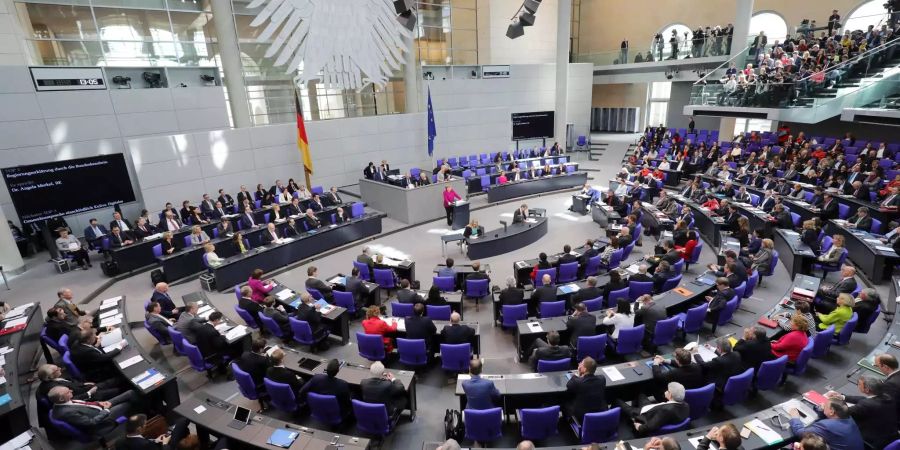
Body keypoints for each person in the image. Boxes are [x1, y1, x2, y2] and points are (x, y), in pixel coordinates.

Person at [826, 376, 899, 450]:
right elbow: (864, 399)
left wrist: (828, 405)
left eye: (859, 384)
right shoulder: (887, 397)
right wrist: (843, 397)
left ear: (867, 390)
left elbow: (843, 412)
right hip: (891, 435)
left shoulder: (866, 405)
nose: (857, 385)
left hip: (872, 442)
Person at [48, 385, 136, 437]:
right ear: (61, 398)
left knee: (130, 393)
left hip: (98, 408)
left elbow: (83, 404)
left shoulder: (62, 401)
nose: (71, 390)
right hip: (101, 419)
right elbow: (91, 422)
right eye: (68, 392)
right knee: (128, 404)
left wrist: (98, 403)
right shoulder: (67, 413)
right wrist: (105, 410)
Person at [618, 382, 690, 437]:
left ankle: (628, 419)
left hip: (644, 415)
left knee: (617, 401)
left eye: (667, 391)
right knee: (640, 393)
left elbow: (650, 426)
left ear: (670, 395)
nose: (666, 391)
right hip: (652, 408)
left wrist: (639, 427)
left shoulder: (666, 410)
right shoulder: (686, 405)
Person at [788, 399, 864, 450]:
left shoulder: (826, 426)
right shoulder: (848, 417)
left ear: (832, 411)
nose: (823, 405)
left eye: (826, 405)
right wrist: (822, 410)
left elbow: (800, 432)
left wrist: (795, 418)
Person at [37, 363, 122, 405]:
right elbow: (71, 399)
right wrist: (89, 393)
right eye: (57, 369)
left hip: (85, 388)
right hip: (88, 397)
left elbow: (71, 382)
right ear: (50, 376)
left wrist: (84, 384)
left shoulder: (54, 379)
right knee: (117, 390)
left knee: (115, 380)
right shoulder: (55, 388)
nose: (60, 368)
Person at [117, 414, 192, 450]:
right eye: (145, 424)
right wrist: (165, 443)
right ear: (139, 429)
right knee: (181, 423)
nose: (146, 426)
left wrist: (155, 441)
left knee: (179, 427)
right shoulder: (145, 445)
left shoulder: (119, 442)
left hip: (153, 444)